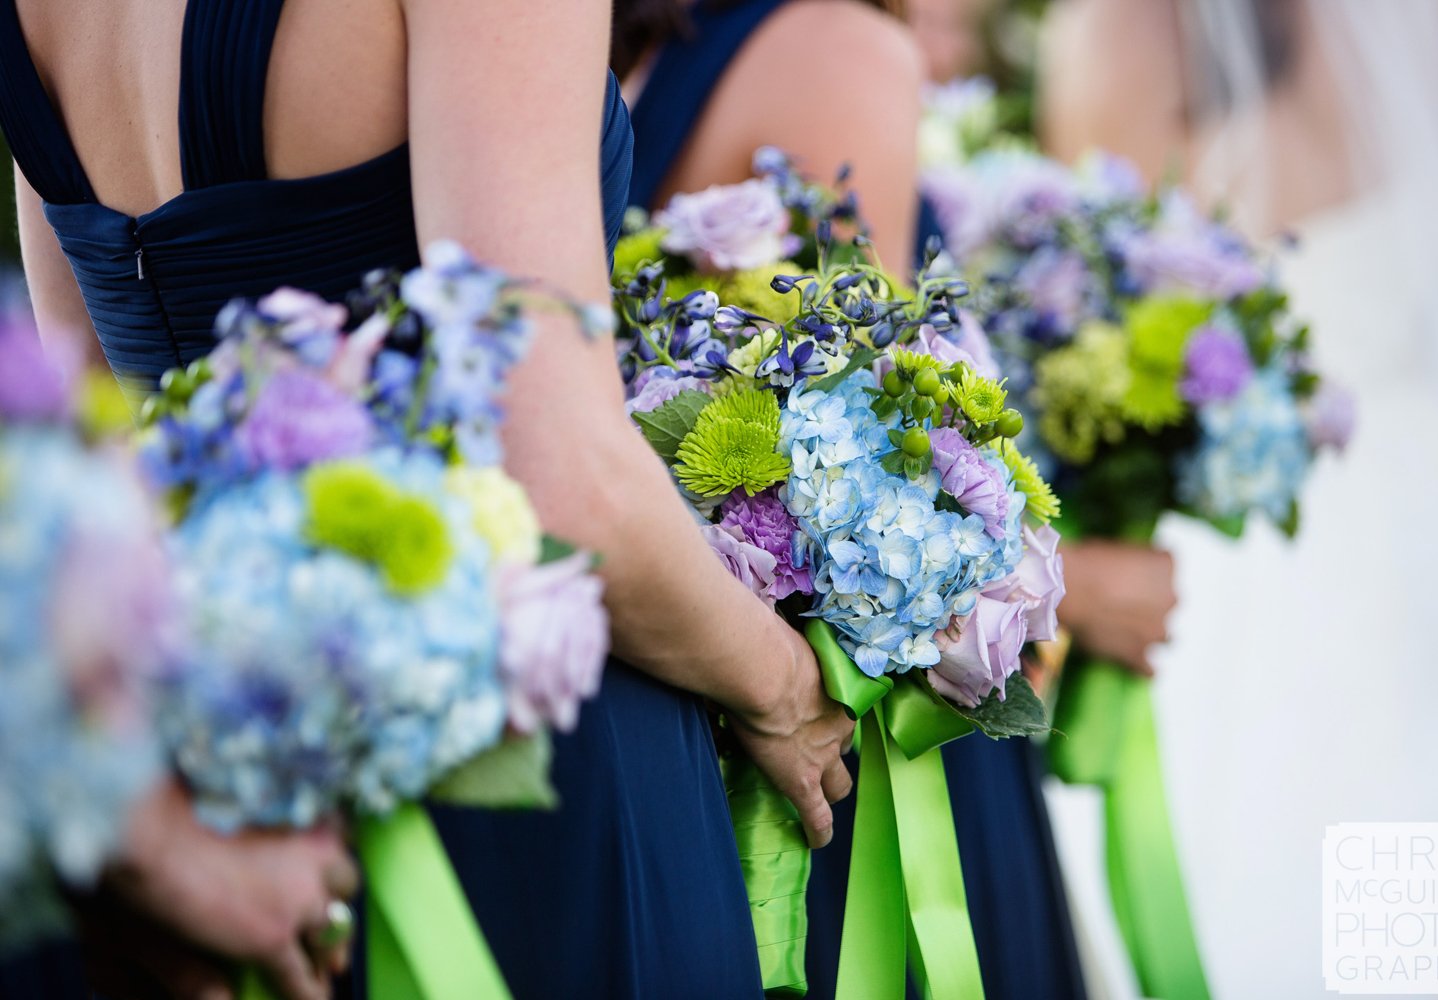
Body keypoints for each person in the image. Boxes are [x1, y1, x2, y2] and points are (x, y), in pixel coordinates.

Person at [0, 1, 855, 996]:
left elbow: (90, 430)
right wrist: (783, 686)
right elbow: (555, 470)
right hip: (519, 756)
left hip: (203, 776)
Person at [616, 3, 1086, 996]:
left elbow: (860, 418)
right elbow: (865, 425)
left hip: (758, 697)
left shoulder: (693, 50)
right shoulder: (835, 48)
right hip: (807, 702)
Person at [1038, 1, 1438, 995]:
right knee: (1405, 860)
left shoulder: (1109, 37)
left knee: (1285, 850)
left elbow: (1089, 322)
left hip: (1269, 539)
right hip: (1419, 515)